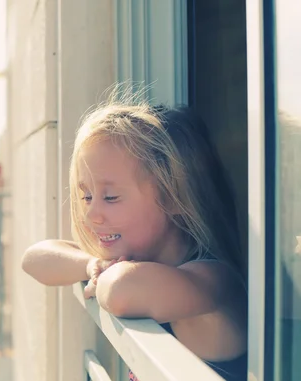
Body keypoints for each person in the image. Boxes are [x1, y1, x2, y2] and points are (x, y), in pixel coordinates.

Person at [22, 94, 248, 381]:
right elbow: (34, 258)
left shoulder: (213, 279)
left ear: (174, 197)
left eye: (111, 197)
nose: (92, 214)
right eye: (87, 196)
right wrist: (92, 264)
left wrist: (107, 270)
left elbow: (119, 292)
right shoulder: (141, 262)